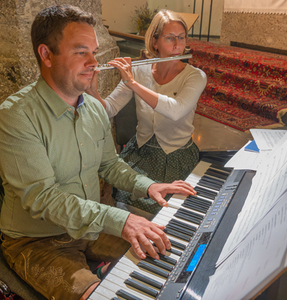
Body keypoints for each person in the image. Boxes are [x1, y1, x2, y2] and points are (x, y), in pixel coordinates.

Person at [0, 5, 197, 300]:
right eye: (81, 52)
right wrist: (123, 220)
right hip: (37, 240)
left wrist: (148, 185)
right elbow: (42, 198)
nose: (94, 62)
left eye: (94, 52)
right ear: (46, 54)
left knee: (168, 259)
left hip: (90, 227)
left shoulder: (93, 107)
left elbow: (109, 165)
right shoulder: (16, 116)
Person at [87, 9, 207, 218]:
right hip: (140, 151)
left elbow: (176, 111)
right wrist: (92, 90)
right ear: (155, 41)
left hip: (175, 154)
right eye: (170, 38)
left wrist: (132, 83)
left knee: (165, 214)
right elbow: (109, 109)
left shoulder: (195, 77)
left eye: (181, 38)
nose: (178, 45)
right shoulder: (140, 71)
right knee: (125, 206)